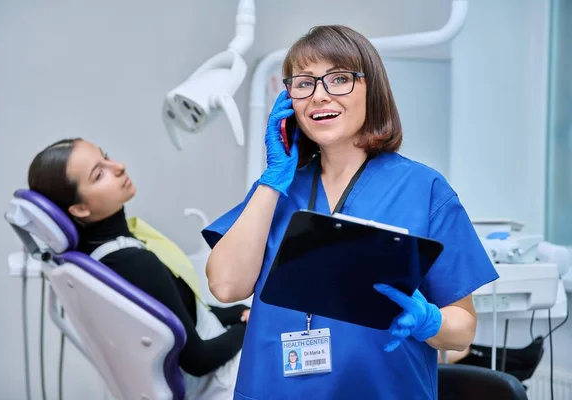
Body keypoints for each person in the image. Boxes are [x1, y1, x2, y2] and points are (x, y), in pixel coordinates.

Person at [202, 25, 499, 399]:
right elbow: (227, 286)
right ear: (288, 99)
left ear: (370, 89)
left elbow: (463, 329)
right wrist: (272, 178)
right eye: (303, 83)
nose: (319, 96)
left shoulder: (424, 189)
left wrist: (430, 321)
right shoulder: (276, 192)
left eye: (339, 79)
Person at [27, 138, 249, 399]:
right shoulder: (133, 263)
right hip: (221, 383)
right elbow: (197, 359)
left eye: (107, 157)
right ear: (80, 208)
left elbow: (185, 315)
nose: (118, 166)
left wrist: (236, 313)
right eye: (99, 174)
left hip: (215, 365)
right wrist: (248, 328)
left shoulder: (101, 259)